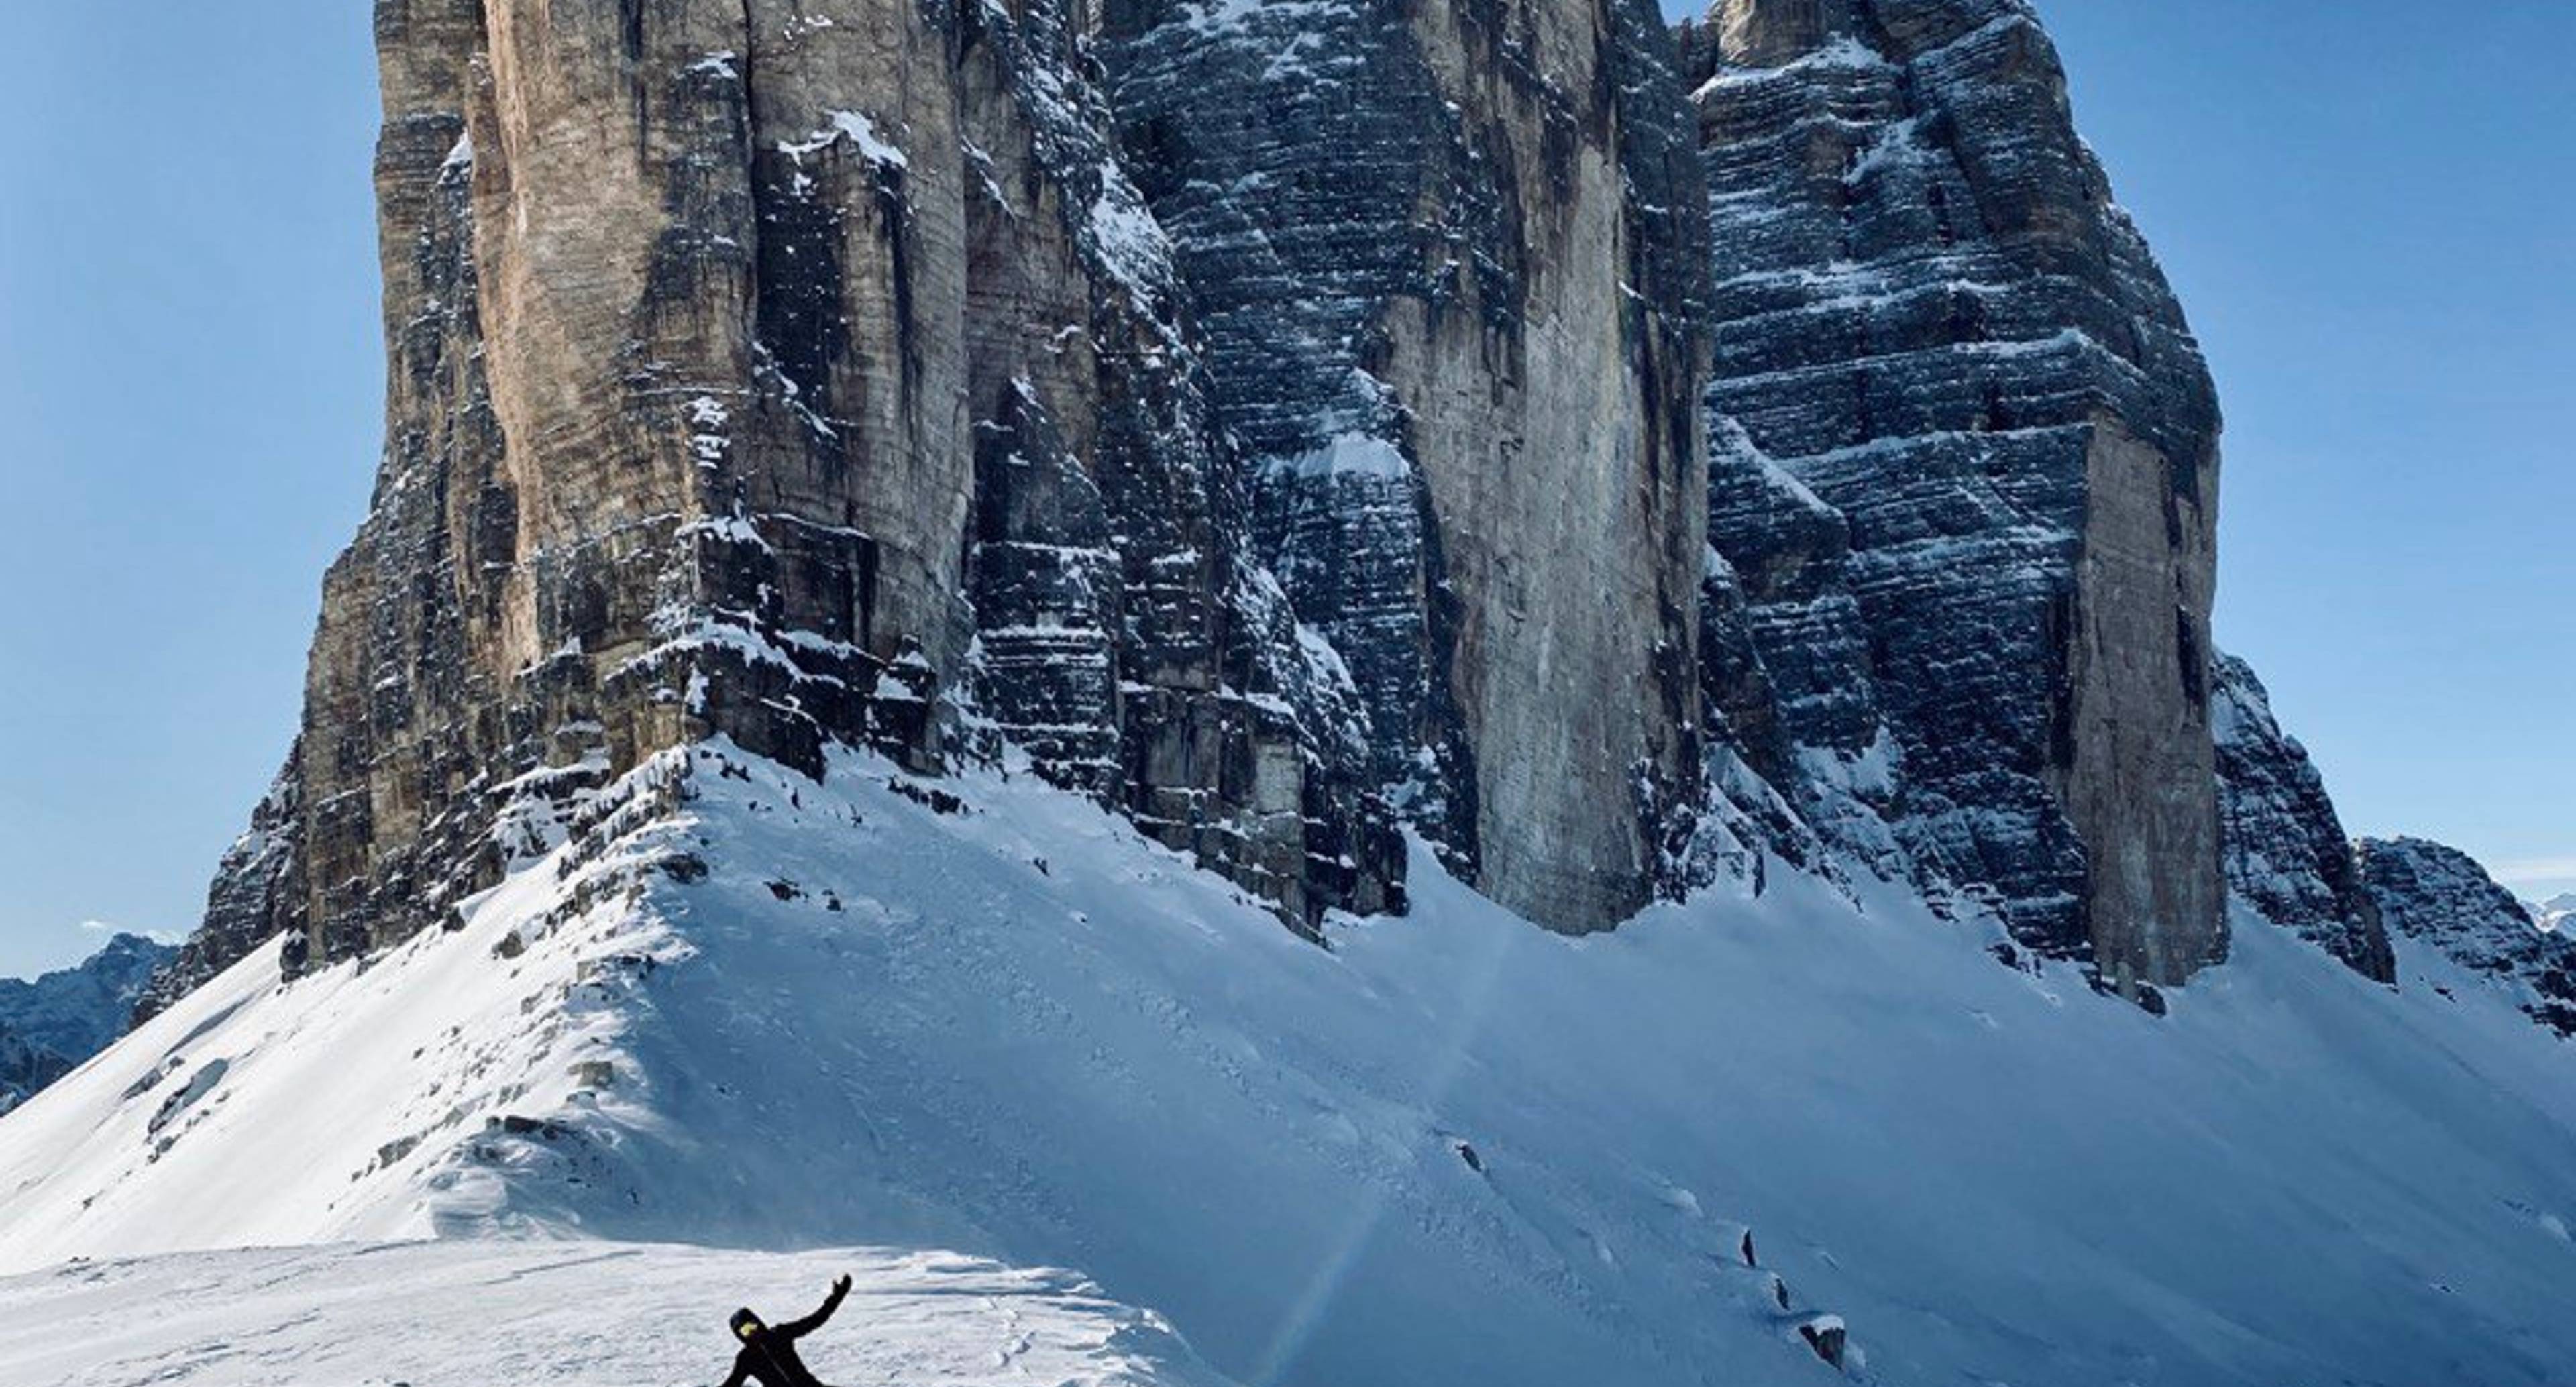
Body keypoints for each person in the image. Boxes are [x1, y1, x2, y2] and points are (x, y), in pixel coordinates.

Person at [716, 1274, 853, 1387]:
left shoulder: (780, 1334)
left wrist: (836, 1298)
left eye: (752, 1326)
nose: (752, 1332)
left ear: (758, 1322)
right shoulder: (746, 1358)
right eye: (745, 1331)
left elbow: (815, 1320)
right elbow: (732, 1384)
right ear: (740, 1336)